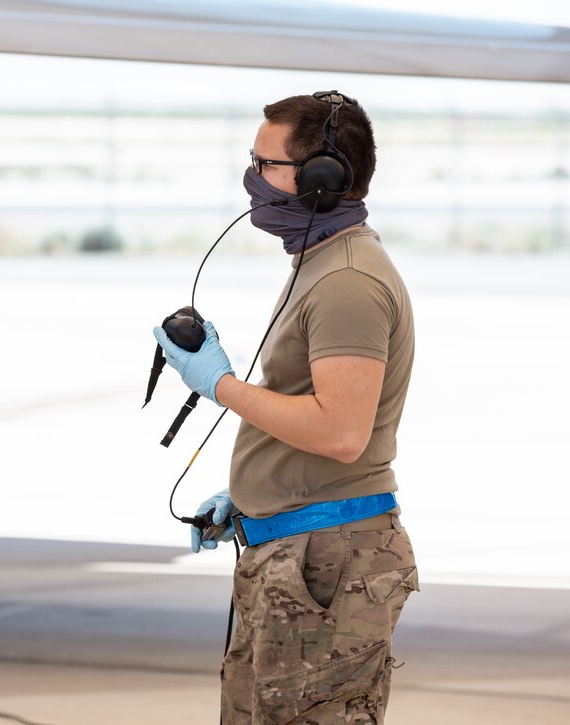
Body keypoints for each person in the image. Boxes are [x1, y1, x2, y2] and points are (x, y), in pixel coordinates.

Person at [152, 92, 418, 724]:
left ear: (323, 178)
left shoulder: (348, 280)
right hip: (295, 545)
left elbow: (341, 432)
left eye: (265, 162)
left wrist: (219, 385)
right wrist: (258, 490)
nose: (252, 176)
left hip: (325, 563)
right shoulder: (319, 263)